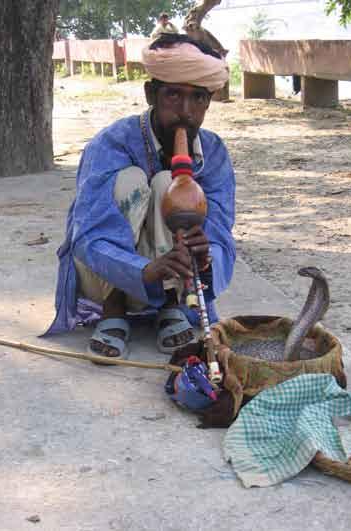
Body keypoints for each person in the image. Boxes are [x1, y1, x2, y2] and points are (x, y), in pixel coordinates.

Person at [45, 34, 236, 360]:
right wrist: (143, 271)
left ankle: (172, 307)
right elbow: (89, 237)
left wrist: (205, 261)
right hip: (108, 276)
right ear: (151, 94)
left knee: (170, 183)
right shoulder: (111, 143)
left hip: (172, 280)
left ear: (209, 102)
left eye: (198, 98)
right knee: (133, 181)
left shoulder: (214, 152)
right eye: (173, 95)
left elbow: (220, 233)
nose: (185, 112)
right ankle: (114, 307)